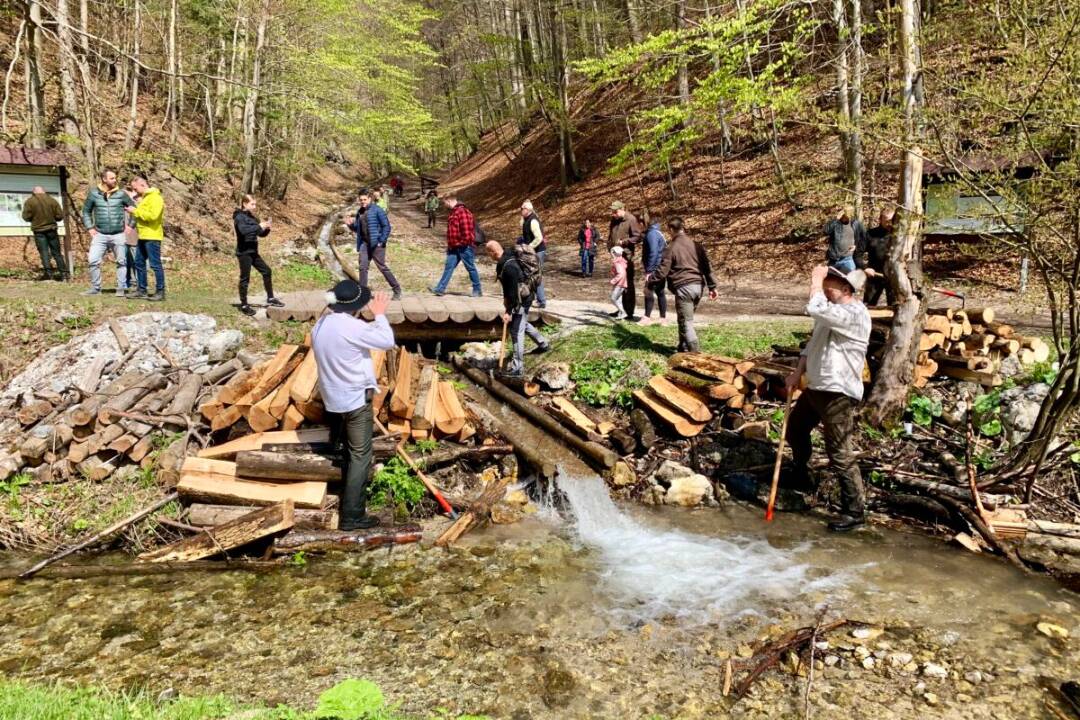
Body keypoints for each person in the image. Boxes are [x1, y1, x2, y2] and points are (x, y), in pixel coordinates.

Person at [783, 265, 871, 532]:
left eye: (828, 285)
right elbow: (811, 345)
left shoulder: (855, 314)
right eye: (824, 284)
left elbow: (816, 308)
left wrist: (814, 279)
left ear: (846, 290)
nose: (823, 288)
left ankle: (854, 511)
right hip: (816, 387)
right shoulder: (829, 314)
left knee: (839, 452)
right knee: (795, 429)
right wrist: (796, 374)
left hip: (838, 391)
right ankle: (801, 473)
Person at [311, 282, 396, 530]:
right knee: (361, 455)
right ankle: (352, 515)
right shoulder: (353, 327)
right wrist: (379, 314)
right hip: (355, 399)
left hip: (331, 397)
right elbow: (387, 340)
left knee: (348, 451)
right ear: (356, 307)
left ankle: (344, 494)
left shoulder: (320, 325)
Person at [651, 217, 717, 352]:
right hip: (698, 287)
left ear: (670, 229)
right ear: (683, 227)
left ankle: (696, 355)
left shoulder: (671, 247)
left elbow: (663, 270)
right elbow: (707, 267)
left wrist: (651, 279)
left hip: (684, 287)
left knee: (686, 322)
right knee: (685, 318)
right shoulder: (696, 245)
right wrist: (712, 286)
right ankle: (683, 348)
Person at [485, 240, 549, 376]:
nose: (488, 256)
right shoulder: (506, 257)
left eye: (488, 253)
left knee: (516, 331)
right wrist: (505, 299)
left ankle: (517, 368)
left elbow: (514, 292)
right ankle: (543, 343)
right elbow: (507, 288)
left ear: (493, 252)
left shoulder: (509, 267)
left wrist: (508, 311)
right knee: (522, 324)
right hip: (521, 298)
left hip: (522, 300)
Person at [81, 168, 134, 295]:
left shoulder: (121, 194)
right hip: (100, 234)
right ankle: (95, 288)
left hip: (118, 234)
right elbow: (86, 211)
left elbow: (134, 209)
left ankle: (121, 288)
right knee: (93, 261)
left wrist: (130, 225)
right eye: (112, 178)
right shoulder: (94, 194)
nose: (115, 180)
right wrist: (89, 227)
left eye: (115, 178)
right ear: (104, 179)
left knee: (121, 262)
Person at [233, 194, 285, 316]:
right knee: (245, 278)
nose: (254, 207)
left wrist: (267, 228)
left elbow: (260, 233)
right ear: (244, 204)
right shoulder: (239, 217)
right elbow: (243, 231)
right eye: (252, 204)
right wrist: (258, 226)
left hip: (253, 252)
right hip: (244, 253)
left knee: (267, 271)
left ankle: (271, 298)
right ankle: (244, 304)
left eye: (255, 204)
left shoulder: (252, 217)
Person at [347, 188, 402, 299]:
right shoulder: (360, 211)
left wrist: (381, 241)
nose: (363, 202)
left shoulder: (378, 210)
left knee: (382, 267)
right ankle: (363, 294)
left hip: (376, 244)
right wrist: (350, 225)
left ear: (370, 198)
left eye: (365, 199)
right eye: (361, 200)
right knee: (363, 267)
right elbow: (358, 228)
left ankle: (397, 289)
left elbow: (386, 226)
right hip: (364, 244)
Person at [429, 193, 482, 297]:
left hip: (464, 247)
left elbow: (466, 231)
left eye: (445, 203)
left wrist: (462, 243)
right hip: (454, 247)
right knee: (448, 267)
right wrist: (452, 245)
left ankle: (477, 290)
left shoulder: (462, 212)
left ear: (449, 200)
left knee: (470, 267)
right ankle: (440, 289)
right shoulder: (454, 212)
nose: (445, 205)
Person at [124, 175, 165, 301]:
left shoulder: (155, 198)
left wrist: (134, 211)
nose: (135, 192)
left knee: (155, 264)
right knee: (139, 263)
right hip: (142, 236)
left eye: (136, 189)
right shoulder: (145, 198)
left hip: (152, 236)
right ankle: (141, 289)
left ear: (142, 185)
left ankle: (160, 291)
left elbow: (153, 216)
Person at [21, 186, 66, 281]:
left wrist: (34, 219)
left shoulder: (30, 201)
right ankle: (64, 274)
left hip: (39, 231)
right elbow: (60, 216)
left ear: (34, 193)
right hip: (52, 229)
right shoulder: (52, 200)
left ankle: (48, 274)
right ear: (44, 191)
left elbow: (25, 217)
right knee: (57, 252)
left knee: (44, 252)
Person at [608, 201, 642, 319]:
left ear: (623, 209)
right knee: (618, 284)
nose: (613, 214)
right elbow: (611, 235)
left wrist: (625, 241)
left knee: (628, 284)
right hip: (615, 256)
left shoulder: (631, 219)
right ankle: (620, 310)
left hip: (626, 257)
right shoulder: (614, 220)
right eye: (612, 211)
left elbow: (638, 237)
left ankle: (629, 312)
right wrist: (609, 247)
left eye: (615, 211)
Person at [857, 208, 895, 306]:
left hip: (893, 276)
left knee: (895, 307)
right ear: (880, 219)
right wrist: (865, 268)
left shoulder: (899, 236)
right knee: (868, 306)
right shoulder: (870, 234)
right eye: (886, 221)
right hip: (874, 275)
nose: (889, 223)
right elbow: (857, 254)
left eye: (891, 221)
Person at [518, 199, 547, 308]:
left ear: (528, 209)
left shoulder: (533, 221)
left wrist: (528, 247)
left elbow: (539, 238)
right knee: (530, 275)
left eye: (522, 208)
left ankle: (541, 301)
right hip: (533, 252)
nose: (521, 210)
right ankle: (533, 298)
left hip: (538, 251)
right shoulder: (526, 220)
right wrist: (522, 240)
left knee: (536, 276)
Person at [824, 204, 867, 273]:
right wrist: (836, 219)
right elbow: (826, 231)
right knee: (831, 281)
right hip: (834, 259)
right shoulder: (836, 224)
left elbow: (865, 237)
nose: (848, 217)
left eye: (850, 214)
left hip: (848, 259)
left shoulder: (856, 224)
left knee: (850, 280)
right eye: (846, 214)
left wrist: (857, 246)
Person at [641, 217, 668, 324]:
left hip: (655, 268)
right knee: (660, 292)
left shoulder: (651, 234)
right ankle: (663, 318)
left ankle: (647, 317)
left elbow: (653, 252)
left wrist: (649, 270)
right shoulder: (658, 233)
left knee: (648, 291)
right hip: (661, 267)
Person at [609, 246, 628, 319]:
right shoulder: (620, 261)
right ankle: (621, 313)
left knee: (613, 298)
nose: (611, 254)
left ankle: (623, 312)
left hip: (619, 284)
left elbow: (621, 273)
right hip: (621, 283)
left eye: (612, 252)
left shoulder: (617, 263)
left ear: (614, 253)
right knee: (618, 299)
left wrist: (613, 281)